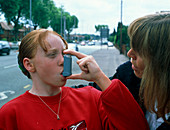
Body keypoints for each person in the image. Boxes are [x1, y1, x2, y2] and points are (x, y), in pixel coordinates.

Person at [0, 29, 149, 130]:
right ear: (29, 64)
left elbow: (137, 125)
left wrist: (100, 78)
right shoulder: (10, 113)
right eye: (52, 55)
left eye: (64, 55)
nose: (62, 61)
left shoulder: (91, 98)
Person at [70, 13, 170, 129]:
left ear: (161, 59)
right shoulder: (129, 74)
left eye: (139, 50)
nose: (129, 53)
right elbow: (98, 91)